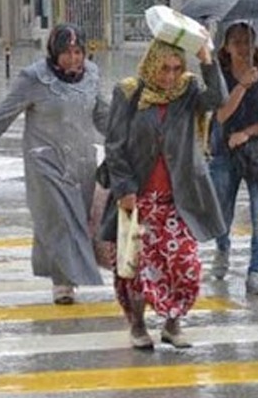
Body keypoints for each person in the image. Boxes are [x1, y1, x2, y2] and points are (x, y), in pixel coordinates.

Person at [0, 23, 110, 305]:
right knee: (60, 220)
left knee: (77, 219)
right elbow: (3, 114)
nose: (74, 58)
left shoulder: (91, 75)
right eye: (67, 52)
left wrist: (129, 135)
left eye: (79, 52)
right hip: (46, 161)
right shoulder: (34, 78)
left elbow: (101, 115)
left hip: (81, 161)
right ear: (54, 52)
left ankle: (64, 274)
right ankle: (63, 284)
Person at [99, 37, 228, 350]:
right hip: (139, 198)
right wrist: (125, 189)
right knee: (138, 269)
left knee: (184, 264)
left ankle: (172, 323)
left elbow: (218, 99)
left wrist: (207, 59)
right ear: (151, 65)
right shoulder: (129, 92)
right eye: (163, 69)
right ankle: (138, 325)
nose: (169, 76)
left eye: (175, 68)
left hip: (178, 199)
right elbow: (115, 146)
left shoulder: (187, 92)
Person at [208, 22, 258, 295]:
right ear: (226, 47)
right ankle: (222, 248)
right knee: (221, 211)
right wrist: (241, 86)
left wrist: (247, 133)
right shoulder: (220, 77)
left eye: (248, 42)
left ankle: (256, 270)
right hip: (224, 153)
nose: (243, 48)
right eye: (237, 42)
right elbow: (220, 116)